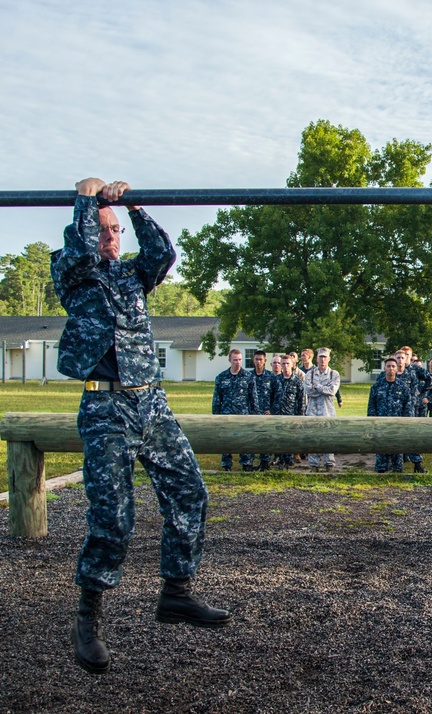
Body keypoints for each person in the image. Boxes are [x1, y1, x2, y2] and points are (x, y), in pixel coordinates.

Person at [52, 177, 230, 675]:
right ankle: (88, 618)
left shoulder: (134, 276)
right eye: (103, 231)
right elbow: (82, 247)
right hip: (104, 410)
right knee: (113, 520)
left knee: (190, 492)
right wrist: (88, 203)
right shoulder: (72, 274)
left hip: (151, 406)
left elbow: (163, 252)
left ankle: (176, 593)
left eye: (115, 233)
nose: (111, 239)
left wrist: (129, 206)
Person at [213, 348, 257, 472]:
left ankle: (246, 463)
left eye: (240, 360)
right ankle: (226, 464)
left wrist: (255, 415)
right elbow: (217, 399)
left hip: (243, 414)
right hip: (226, 414)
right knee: (226, 440)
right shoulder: (221, 377)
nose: (238, 362)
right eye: (235, 360)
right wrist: (215, 416)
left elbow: (253, 398)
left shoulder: (248, 376)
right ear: (229, 361)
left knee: (244, 439)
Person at [367, 356, 413, 473]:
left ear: (397, 369)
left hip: (397, 425)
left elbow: (408, 407)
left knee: (397, 450)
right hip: (380, 424)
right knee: (381, 448)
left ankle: (396, 469)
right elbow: (372, 406)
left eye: (393, 366)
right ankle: (382, 469)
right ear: (384, 369)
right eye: (388, 366)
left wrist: (406, 423)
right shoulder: (377, 386)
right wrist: (372, 422)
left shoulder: (403, 387)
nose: (391, 369)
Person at [303, 347, 340, 471]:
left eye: (325, 357)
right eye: (320, 357)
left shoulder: (334, 374)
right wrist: (323, 389)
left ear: (329, 358)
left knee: (328, 438)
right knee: (312, 438)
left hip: (327, 412)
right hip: (312, 411)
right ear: (317, 358)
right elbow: (308, 391)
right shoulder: (310, 374)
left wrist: (317, 387)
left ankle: (329, 464)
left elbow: (332, 391)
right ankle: (314, 465)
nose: (322, 359)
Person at [273, 354, 306, 468]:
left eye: (288, 363)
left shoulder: (297, 381)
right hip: (277, 414)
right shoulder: (276, 380)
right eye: (283, 363)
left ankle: (289, 460)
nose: (285, 366)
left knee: (290, 438)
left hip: (291, 414)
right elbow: (270, 397)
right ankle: (279, 460)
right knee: (278, 438)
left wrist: (301, 414)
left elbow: (301, 399)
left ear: (292, 365)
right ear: (280, 365)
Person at [249, 349, 278, 471]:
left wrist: (271, 410)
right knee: (251, 438)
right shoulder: (248, 376)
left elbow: (277, 396)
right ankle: (249, 463)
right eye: (256, 359)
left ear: (265, 361)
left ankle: (265, 462)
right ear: (253, 360)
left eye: (261, 359)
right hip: (252, 413)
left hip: (266, 413)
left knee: (265, 438)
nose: (258, 362)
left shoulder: (271, 377)